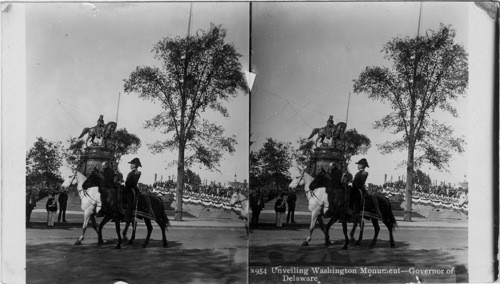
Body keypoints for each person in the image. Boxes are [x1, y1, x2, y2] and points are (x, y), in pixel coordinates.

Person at [123, 158, 142, 222]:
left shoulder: (137, 172)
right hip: (128, 188)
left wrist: (126, 184)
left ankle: (128, 217)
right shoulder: (131, 172)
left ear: (135, 165)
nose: (130, 165)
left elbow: (133, 182)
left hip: (132, 189)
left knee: (129, 200)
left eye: (132, 164)